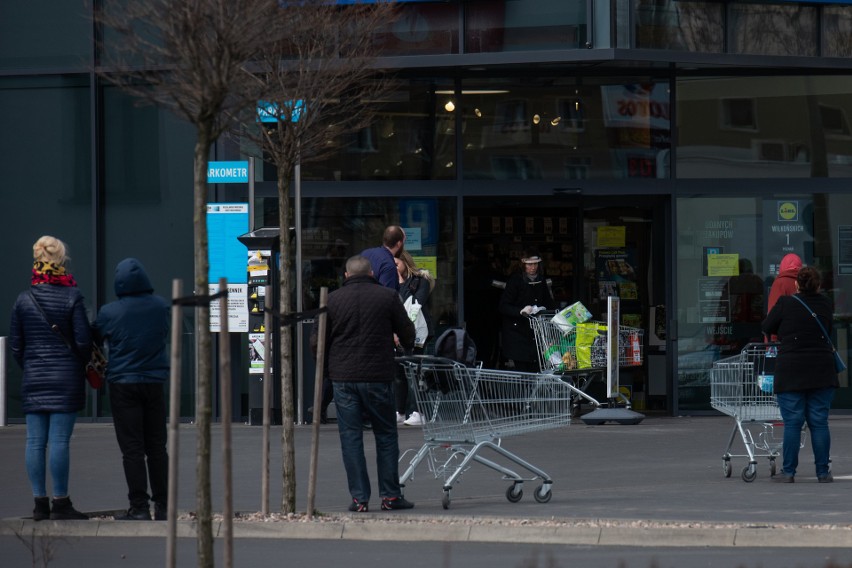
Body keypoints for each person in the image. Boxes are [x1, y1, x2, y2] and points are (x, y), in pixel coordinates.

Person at [311, 255, 416, 512]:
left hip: (344, 378)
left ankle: (360, 499)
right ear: (372, 274)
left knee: (351, 437)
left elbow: (317, 342)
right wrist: (402, 345)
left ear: (346, 276)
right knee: (386, 436)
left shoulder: (332, 300)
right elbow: (408, 333)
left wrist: (328, 369)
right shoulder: (387, 296)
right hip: (378, 377)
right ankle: (391, 496)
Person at [9, 235, 91, 520]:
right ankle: (61, 502)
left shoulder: (24, 299)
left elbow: (16, 346)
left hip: (34, 377)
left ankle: (39, 503)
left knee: (34, 442)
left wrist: (32, 364)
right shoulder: (73, 296)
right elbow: (83, 341)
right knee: (58, 441)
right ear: (61, 261)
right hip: (66, 377)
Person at [93, 258, 170, 520]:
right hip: (154, 382)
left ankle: (139, 507)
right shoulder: (160, 307)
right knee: (157, 447)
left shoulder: (109, 312)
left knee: (132, 449)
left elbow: (95, 338)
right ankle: (163, 506)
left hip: (123, 384)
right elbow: (165, 333)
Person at [761, 266, 838, 483]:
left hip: (791, 370)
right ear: (819, 285)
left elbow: (767, 325)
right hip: (822, 370)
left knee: (793, 422)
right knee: (819, 422)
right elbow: (829, 328)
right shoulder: (825, 304)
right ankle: (823, 472)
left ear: (797, 284)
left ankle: (789, 472)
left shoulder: (786, 304)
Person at [394, 251, 434, 426]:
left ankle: (418, 411)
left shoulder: (420, 280)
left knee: (415, 373)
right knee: (399, 374)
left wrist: (401, 283)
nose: (393, 267)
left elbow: (414, 304)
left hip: (417, 332)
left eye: (396, 263)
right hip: (397, 333)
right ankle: (400, 411)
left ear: (405, 262)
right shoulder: (390, 282)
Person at [498, 251, 556, 372]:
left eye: (535, 264)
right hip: (518, 333)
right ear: (523, 264)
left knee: (536, 367)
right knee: (523, 371)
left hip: (536, 331)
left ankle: (532, 391)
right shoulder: (515, 281)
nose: (533, 267)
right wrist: (520, 311)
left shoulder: (541, 280)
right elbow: (503, 306)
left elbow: (548, 303)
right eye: (529, 264)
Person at [360, 225, 406, 291]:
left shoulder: (365, 253)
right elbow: (387, 296)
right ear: (399, 244)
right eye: (403, 243)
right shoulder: (389, 265)